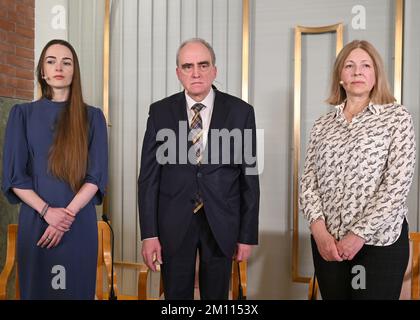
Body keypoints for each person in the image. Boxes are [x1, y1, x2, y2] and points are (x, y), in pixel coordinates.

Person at [138, 38, 260, 299]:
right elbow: (148, 178)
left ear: (214, 70)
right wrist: (148, 234)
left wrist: (247, 235)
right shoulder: (159, 112)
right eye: (188, 66)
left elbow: (250, 178)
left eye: (203, 65)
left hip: (222, 223)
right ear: (178, 73)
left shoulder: (241, 112)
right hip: (173, 223)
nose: (196, 73)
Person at [300, 40, 416, 299]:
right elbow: (308, 183)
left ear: (376, 74)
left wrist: (358, 235)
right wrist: (319, 233)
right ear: (340, 75)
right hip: (328, 245)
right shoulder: (322, 125)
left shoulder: (397, 118)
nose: (357, 72)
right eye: (349, 66)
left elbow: (396, 186)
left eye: (366, 65)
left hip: (378, 245)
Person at [1, 39, 108, 299]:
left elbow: (96, 176)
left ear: (74, 71)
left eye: (66, 62)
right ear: (42, 71)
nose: (59, 67)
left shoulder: (93, 117)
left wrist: (65, 217)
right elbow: (15, 176)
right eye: (51, 61)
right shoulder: (21, 114)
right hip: (37, 222)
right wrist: (47, 212)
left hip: (78, 223)